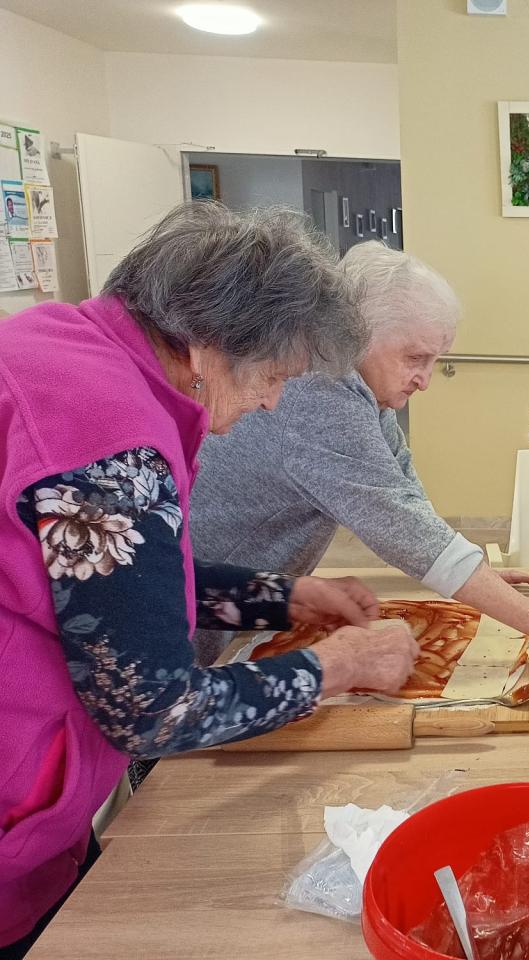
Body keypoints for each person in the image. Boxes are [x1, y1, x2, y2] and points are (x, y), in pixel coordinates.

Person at [0, 204, 421, 957]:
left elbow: (118, 580)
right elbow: (155, 711)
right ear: (212, 343)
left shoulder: (63, 341)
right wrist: (337, 666)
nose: (273, 401)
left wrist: (282, 597)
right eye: (274, 376)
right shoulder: (109, 441)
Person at [190, 241, 529, 674]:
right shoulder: (322, 392)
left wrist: (476, 579)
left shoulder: (361, 389)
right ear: (356, 336)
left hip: (237, 597)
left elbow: (404, 491)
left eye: (434, 360)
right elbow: (402, 526)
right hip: (199, 603)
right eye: (415, 358)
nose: (425, 380)